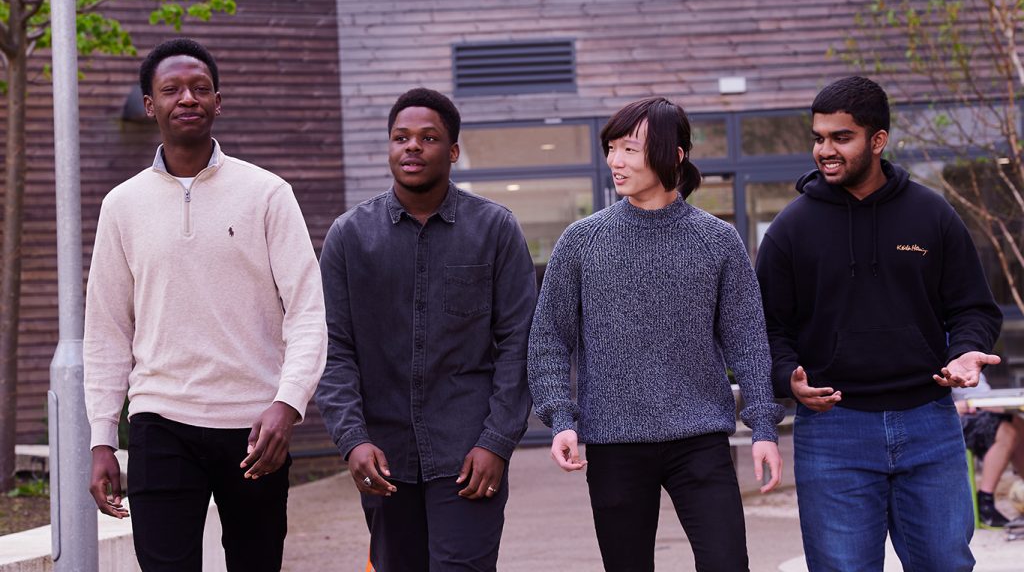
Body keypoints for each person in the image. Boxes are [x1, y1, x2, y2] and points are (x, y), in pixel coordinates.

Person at [84, 38, 327, 572]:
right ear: (150, 105)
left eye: (199, 88)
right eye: (171, 90)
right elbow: (106, 328)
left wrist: (288, 404)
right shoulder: (122, 206)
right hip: (160, 420)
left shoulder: (268, 193)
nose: (186, 98)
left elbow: (308, 311)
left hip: (255, 428)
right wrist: (103, 438)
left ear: (219, 100)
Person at [755, 76, 1004, 571]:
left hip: (929, 421)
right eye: (818, 137)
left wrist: (967, 350)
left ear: (877, 140)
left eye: (840, 138)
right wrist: (787, 379)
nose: (825, 150)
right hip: (833, 430)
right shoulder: (791, 229)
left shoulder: (932, 214)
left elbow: (974, 308)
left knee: (946, 565)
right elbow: (766, 329)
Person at [528, 97, 784, 572]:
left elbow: (747, 340)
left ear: (675, 155)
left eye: (629, 149)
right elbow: (548, 338)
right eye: (611, 148)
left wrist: (763, 426)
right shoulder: (582, 241)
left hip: (700, 439)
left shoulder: (717, 240)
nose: (615, 162)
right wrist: (560, 416)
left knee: (729, 564)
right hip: (614, 444)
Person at [314, 88, 536, 571]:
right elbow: (333, 348)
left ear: (452, 151)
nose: (412, 147)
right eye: (401, 137)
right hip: (383, 458)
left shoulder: (495, 230)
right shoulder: (350, 236)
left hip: (467, 455)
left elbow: (520, 343)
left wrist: (496, 441)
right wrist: (352, 439)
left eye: (428, 137)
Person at [954, 376, 1024, 528]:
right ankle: (984, 502)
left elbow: (984, 397)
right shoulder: (939, 359)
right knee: (1008, 431)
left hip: (973, 413)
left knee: (1018, 422)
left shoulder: (970, 358)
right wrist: (954, 406)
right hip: (947, 420)